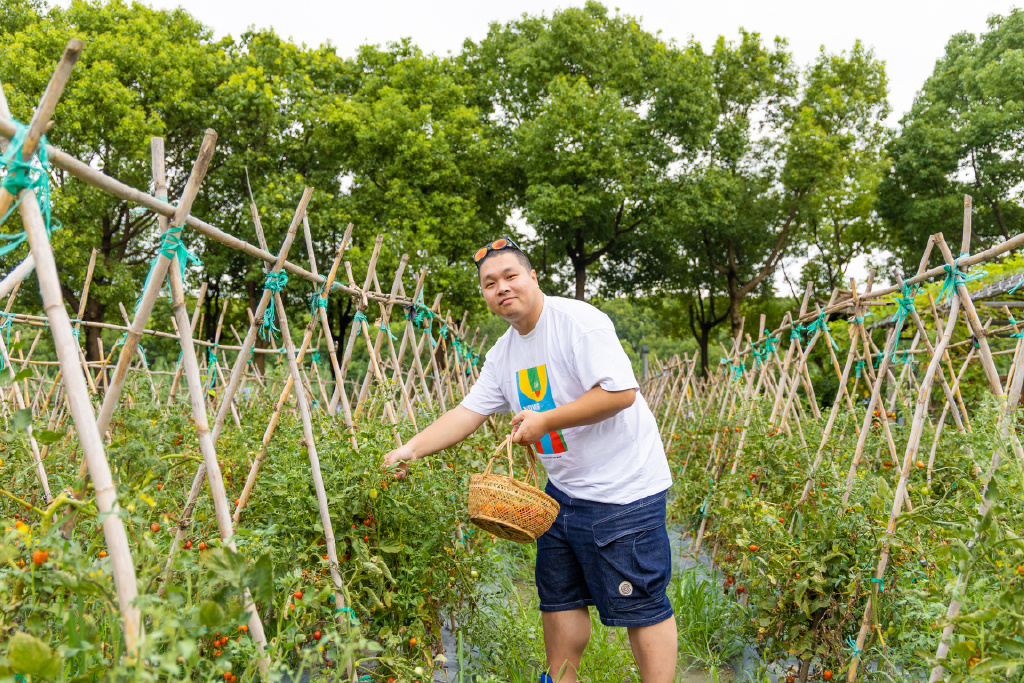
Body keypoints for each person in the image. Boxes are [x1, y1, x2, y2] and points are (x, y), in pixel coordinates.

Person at [384, 237, 677, 683]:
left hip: (624, 491)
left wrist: (547, 422)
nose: (501, 288)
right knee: (558, 597)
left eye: (510, 276)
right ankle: (560, 680)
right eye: (489, 283)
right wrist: (410, 449)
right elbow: (468, 412)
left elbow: (621, 393)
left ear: (533, 278)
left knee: (640, 605)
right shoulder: (503, 353)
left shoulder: (578, 323)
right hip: (562, 493)